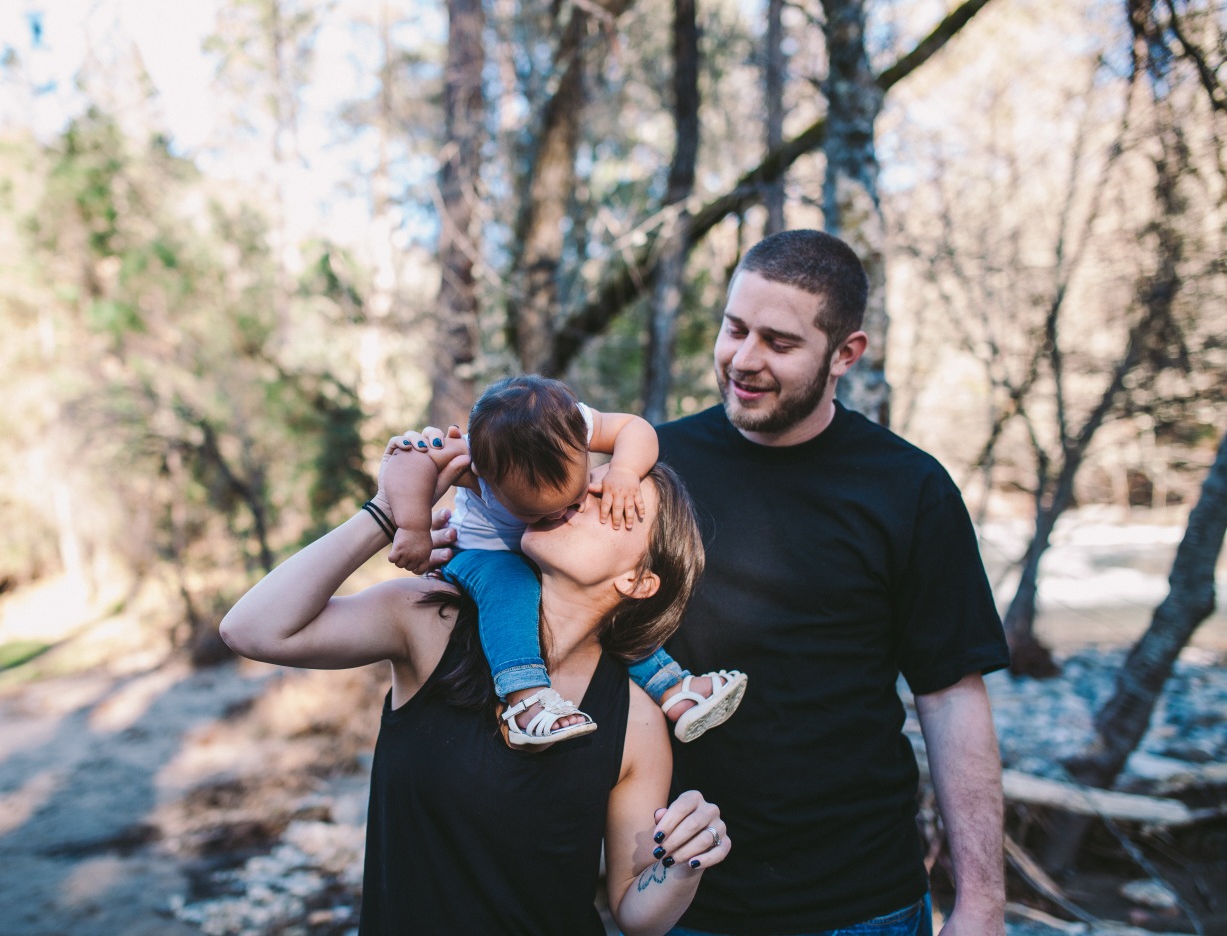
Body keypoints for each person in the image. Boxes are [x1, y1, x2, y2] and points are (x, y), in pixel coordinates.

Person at [219, 442, 732, 935]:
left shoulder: (637, 715)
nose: (584, 495)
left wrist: (685, 859)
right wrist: (391, 509)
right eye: (590, 481)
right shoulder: (432, 621)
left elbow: (636, 914)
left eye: (617, 502)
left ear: (638, 581)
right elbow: (253, 629)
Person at [657, 229, 1010, 935]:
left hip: (862, 903)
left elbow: (949, 699)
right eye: (734, 329)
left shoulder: (908, 489)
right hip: (678, 899)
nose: (744, 360)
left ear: (846, 353)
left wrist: (982, 902)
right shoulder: (656, 463)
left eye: (780, 344)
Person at [384, 374, 746, 748]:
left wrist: (623, 469)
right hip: (477, 556)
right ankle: (524, 697)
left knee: (603, 608)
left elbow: (634, 428)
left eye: (576, 495)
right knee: (511, 583)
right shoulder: (476, 457)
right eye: (541, 512)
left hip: (528, 558)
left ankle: (672, 687)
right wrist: (412, 527)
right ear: (486, 475)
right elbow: (408, 461)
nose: (569, 511)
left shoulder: (570, 424)